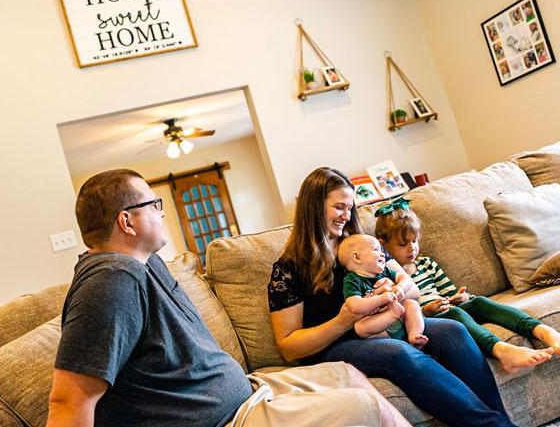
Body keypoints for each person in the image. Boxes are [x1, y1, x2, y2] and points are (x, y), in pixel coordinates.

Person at [47, 169, 411, 427]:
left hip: (248, 391)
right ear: (127, 222)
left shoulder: (146, 265)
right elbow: (68, 401)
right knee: (368, 410)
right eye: (154, 204)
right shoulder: (110, 280)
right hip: (229, 419)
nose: (161, 212)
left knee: (348, 375)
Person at [268, 167, 518, 427]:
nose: (346, 216)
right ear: (314, 207)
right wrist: (343, 320)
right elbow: (288, 346)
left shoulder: (360, 245)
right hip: (334, 346)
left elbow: (412, 288)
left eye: (350, 208)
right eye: (339, 207)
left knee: (453, 331)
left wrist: (394, 289)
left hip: (386, 325)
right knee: (398, 353)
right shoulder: (289, 268)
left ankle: (502, 422)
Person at [373, 205, 560, 374]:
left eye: (415, 241)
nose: (412, 248)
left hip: (449, 308)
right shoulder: (387, 277)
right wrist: (427, 310)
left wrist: (459, 296)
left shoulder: (427, 264)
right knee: (455, 313)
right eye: (403, 244)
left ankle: (543, 331)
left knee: (478, 302)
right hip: (425, 323)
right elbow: (399, 315)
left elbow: (448, 293)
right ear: (383, 245)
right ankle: (502, 350)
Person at [339, 234, 428, 348]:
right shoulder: (352, 280)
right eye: (376, 250)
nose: (382, 254)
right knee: (360, 328)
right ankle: (393, 315)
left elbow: (406, 279)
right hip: (380, 326)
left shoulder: (384, 271)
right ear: (357, 257)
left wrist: (400, 287)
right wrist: (381, 299)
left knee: (411, 304)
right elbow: (354, 305)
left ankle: (415, 335)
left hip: (402, 320)